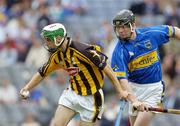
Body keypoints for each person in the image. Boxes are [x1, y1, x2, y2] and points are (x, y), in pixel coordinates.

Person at [19, 23, 144, 126]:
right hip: (72, 93)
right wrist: (27, 88)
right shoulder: (57, 56)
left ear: (58, 39)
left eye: (48, 40)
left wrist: (120, 91)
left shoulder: (83, 51)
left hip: (92, 98)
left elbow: (108, 69)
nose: (46, 43)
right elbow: (42, 72)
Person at [111, 9, 180, 126]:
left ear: (132, 25)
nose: (121, 31)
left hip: (154, 90)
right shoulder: (119, 51)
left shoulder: (150, 34)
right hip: (133, 90)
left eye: (124, 27)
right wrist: (134, 100)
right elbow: (122, 80)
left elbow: (175, 31)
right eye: (118, 28)